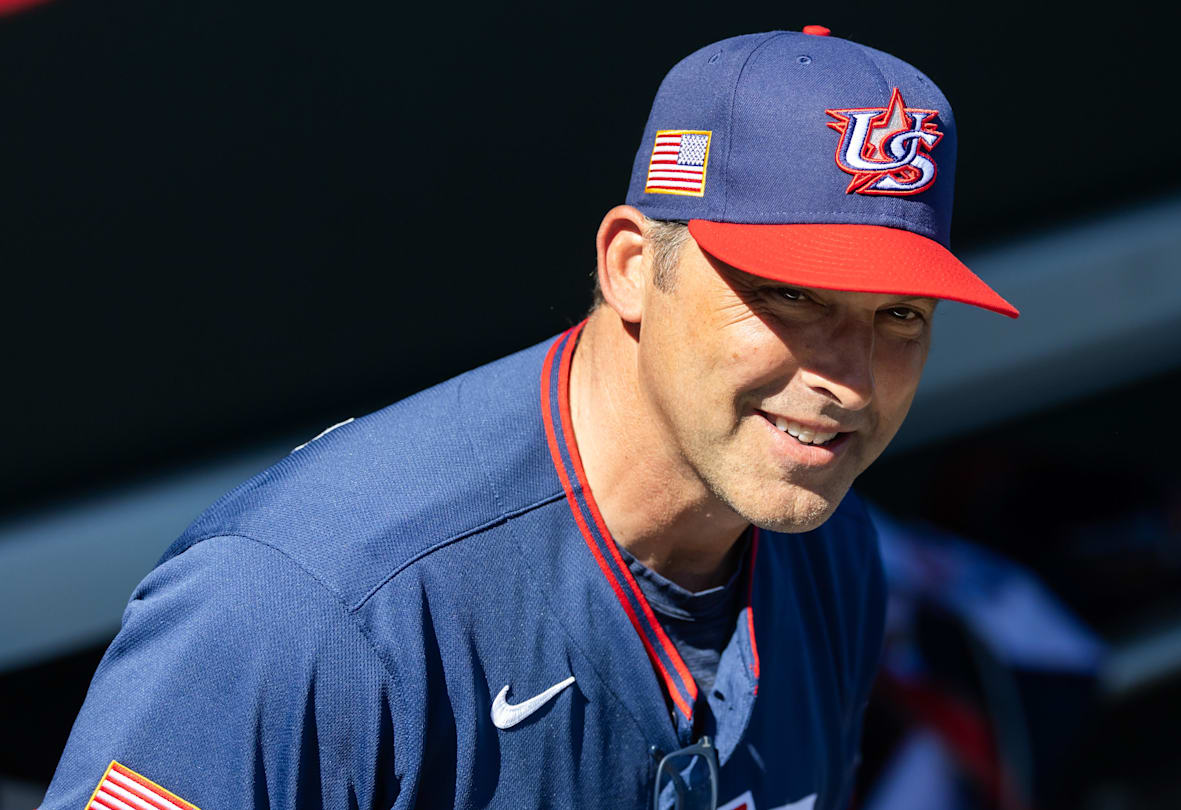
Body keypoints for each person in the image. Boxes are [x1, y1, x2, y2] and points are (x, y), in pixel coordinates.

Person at [40, 25, 1016, 810]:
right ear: (631, 267)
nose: (849, 380)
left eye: (901, 316)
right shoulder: (310, 604)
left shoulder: (830, 549)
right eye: (792, 297)